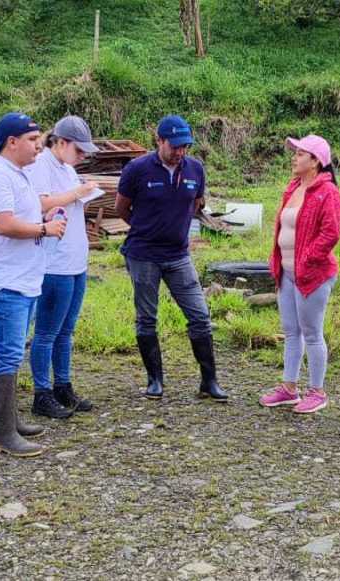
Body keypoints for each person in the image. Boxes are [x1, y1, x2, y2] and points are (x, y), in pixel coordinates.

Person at [115, 115, 227, 402]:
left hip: (178, 255)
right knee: (147, 318)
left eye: (185, 147)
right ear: (159, 141)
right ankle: (155, 380)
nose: (180, 152)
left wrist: (175, 229)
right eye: (174, 146)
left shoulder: (195, 169)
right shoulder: (137, 169)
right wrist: (148, 228)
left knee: (200, 317)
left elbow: (196, 204)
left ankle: (209, 381)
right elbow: (122, 209)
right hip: (143, 255)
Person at [0, 112, 66, 457]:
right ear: (11, 142)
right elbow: (4, 224)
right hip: (5, 281)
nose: (38, 147)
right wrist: (44, 229)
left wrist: (45, 219)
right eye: (32, 141)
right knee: (7, 353)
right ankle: (2, 435)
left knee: (14, 351)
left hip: (24, 279)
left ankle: (10, 422)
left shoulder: (19, 174)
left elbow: (22, 218)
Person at [259, 135, 340, 413]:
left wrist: (306, 260)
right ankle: (289, 388)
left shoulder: (327, 192)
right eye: (295, 153)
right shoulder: (294, 187)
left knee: (312, 333)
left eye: (300, 153)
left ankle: (317, 391)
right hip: (287, 272)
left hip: (312, 275)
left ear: (316, 161)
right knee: (291, 331)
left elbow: (330, 233)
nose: (294, 157)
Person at [26, 116, 99, 419]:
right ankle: (41, 392)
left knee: (66, 331)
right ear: (61, 142)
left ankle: (63, 385)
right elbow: (41, 204)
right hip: (54, 263)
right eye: (79, 150)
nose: (82, 156)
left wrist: (82, 192)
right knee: (46, 332)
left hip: (75, 260)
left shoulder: (68, 169)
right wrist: (78, 193)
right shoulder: (40, 165)